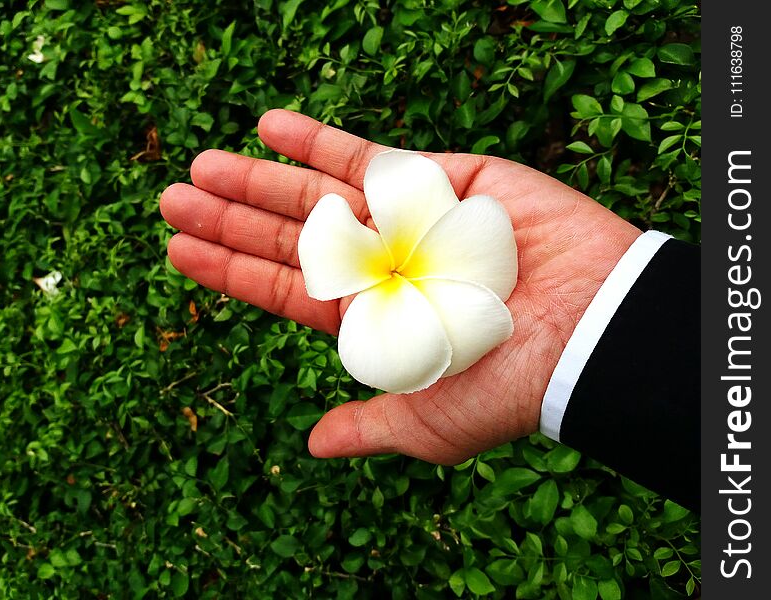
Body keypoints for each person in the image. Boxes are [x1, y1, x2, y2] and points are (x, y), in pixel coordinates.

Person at [160, 110, 699, 512]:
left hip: (419, 270)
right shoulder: (350, 251)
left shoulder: (426, 228)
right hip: (403, 274)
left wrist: (590, 317)